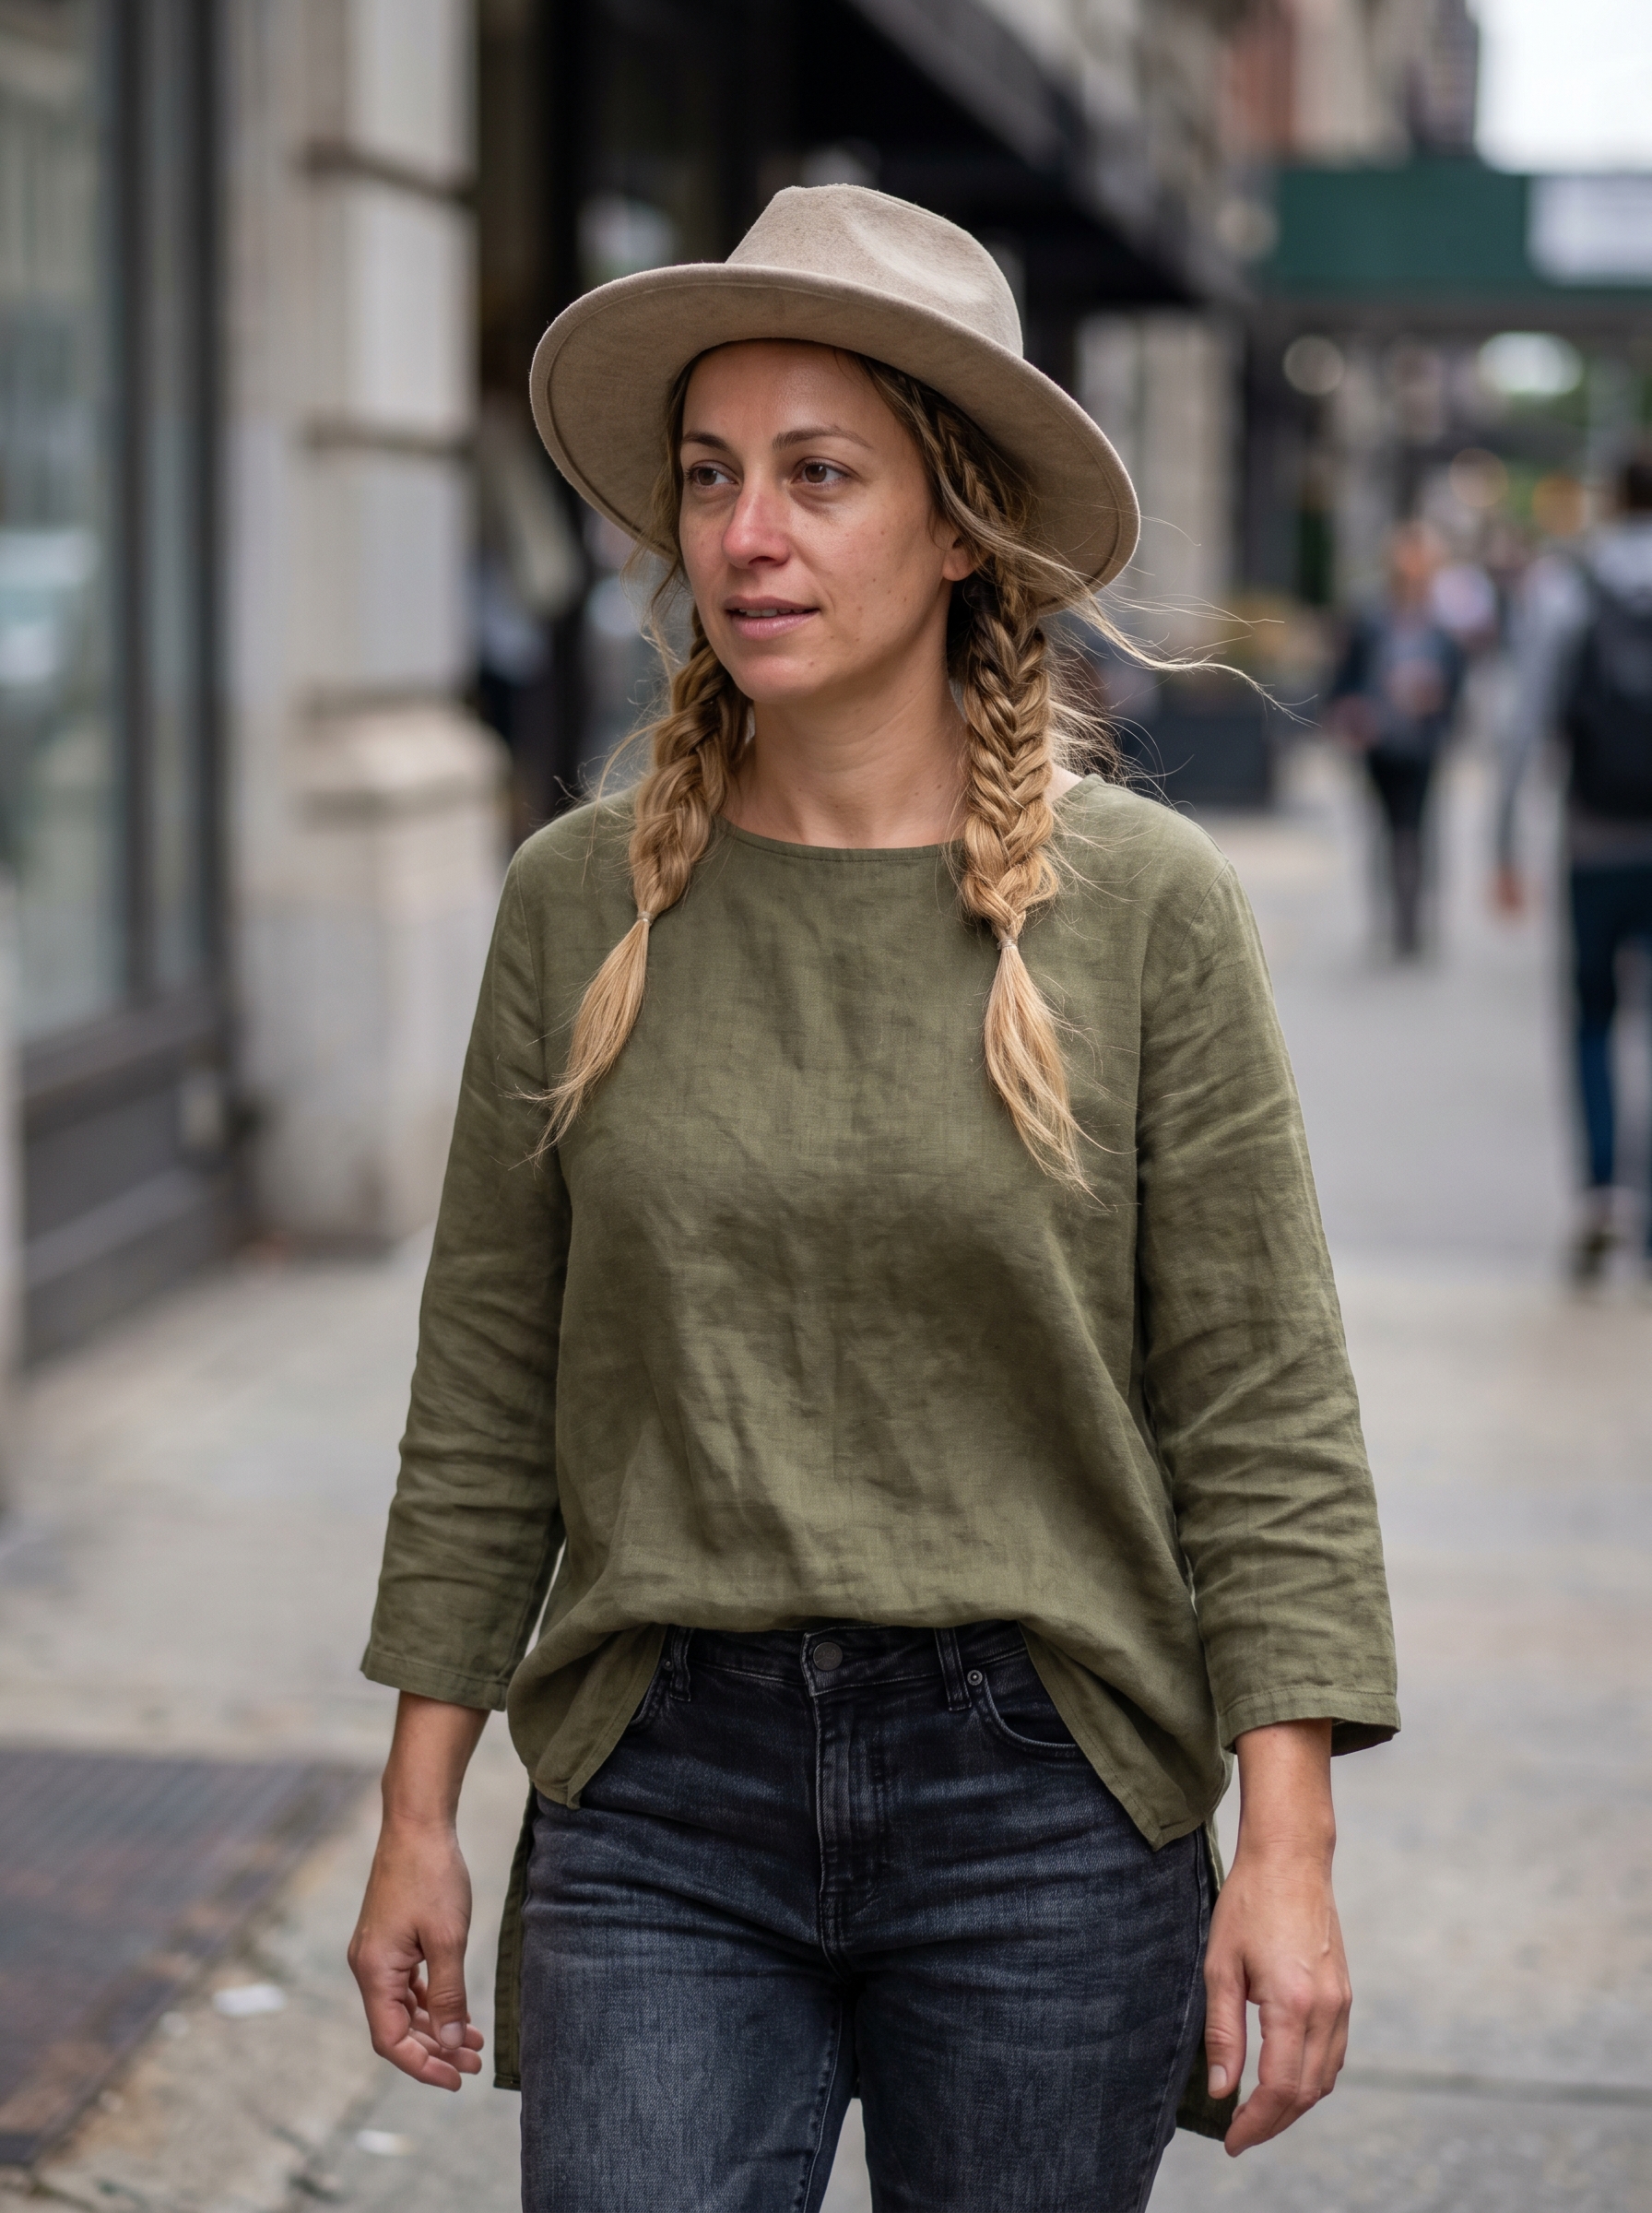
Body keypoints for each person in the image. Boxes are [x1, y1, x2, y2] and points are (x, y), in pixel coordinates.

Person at [348, 186, 1398, 2213]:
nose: (747, 534)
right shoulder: (580, 898)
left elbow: (1257, 1405)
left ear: (954, 523)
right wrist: (416, 1805)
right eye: (712, 477)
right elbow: (484, 1380)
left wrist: (1284, 1852)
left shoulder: (1144, 915)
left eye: (818, 477)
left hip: (1039, 1807)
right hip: (658, 1790)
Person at [1496, 450, 1652, 1283]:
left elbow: (1524, 722)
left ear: (1611, 499)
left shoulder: (1571, 588)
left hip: (1591, 842)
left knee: (1593, 1019)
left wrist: (1501, 843)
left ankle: (1601, 1194)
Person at [1328, 521, 1467, 958]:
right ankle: (1388, 915)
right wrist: (1351, 716)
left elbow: (1457, 695)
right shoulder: (1371, 622)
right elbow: (1343, 682)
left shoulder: (1442, 630)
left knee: (1416, 828)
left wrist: (1436, 703)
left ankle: (1412, 920)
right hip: (1379, 742)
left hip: (1422, 743)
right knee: (1385, 829)